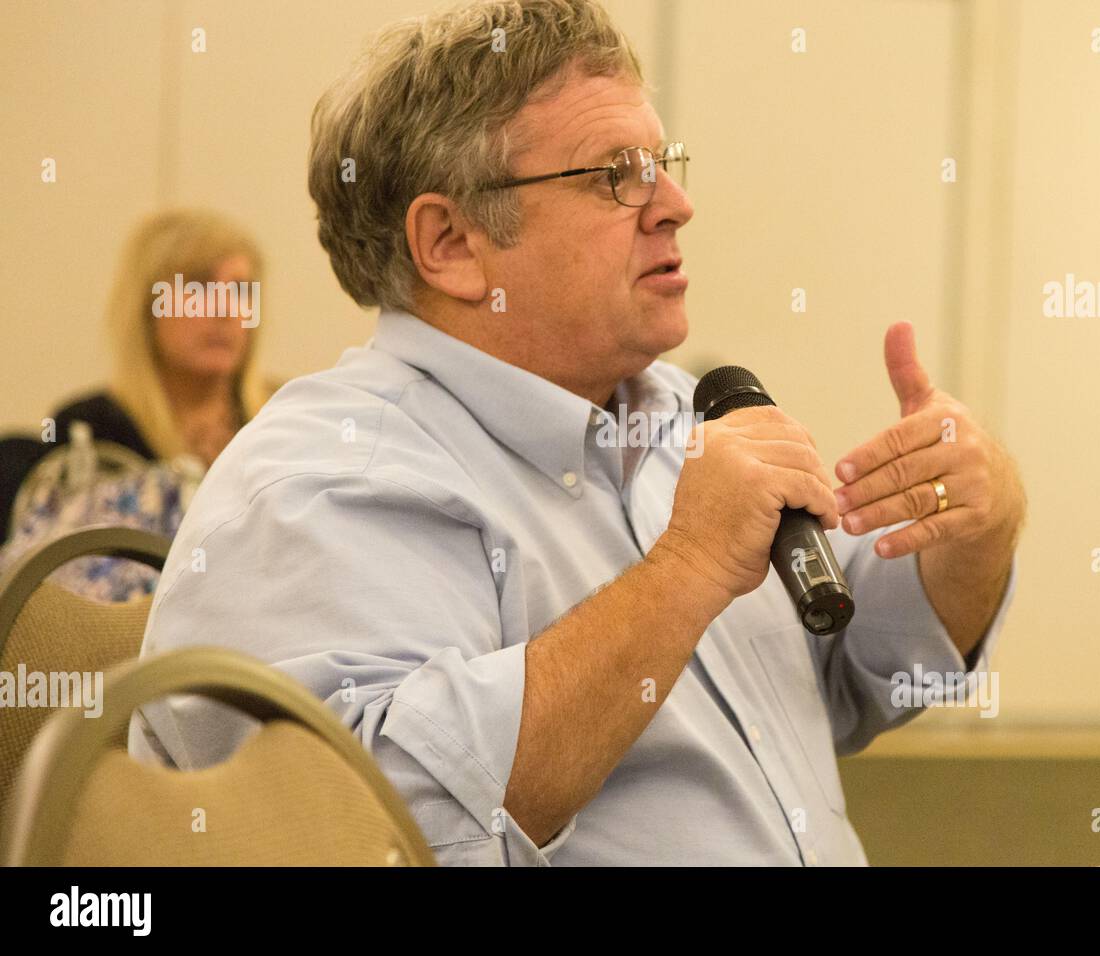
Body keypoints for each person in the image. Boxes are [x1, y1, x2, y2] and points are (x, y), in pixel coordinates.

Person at [130, 0, 1025, 865]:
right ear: (450, 243)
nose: (674, 202)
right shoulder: (319, 481)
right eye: (614, 174)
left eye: (663, 162)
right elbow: (366, 831)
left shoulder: (676, 414)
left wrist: (977, 528)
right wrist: (687, 569)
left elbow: (848, 673)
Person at [0, 210, 276, 600]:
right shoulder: (92, 429)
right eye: (197, 288)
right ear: (148, 306)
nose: (225, 310)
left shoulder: (282, 420)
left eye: (241, 290)